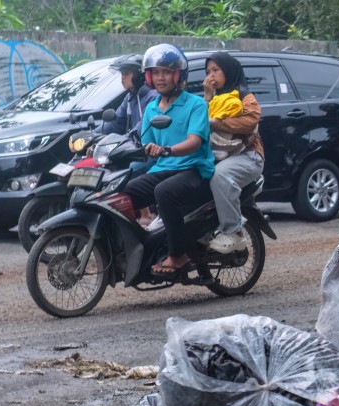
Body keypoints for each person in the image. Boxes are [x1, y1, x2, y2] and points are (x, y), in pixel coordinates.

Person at [123, 44, 215, 277]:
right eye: (156, 72)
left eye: (166, 72)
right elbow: (146, 144)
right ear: (149, 76)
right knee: (126, 192)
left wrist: (166, 150)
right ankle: (142, 247)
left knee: (164, 192)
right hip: (164, 168)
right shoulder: (152, 109)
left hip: (195, 169)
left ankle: (178, 254)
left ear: (177, 76)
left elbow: (194, 142)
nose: (160, 77)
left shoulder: (196, 104)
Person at [201, 51, 265, 255]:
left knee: (220, 176)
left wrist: (218, 123)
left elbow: (250, 121)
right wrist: (207, 98)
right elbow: (199, 123)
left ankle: (234, 232)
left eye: (216, 70)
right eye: (208, 71)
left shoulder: (244, 96)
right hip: (222, 155)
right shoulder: (218, 99)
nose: (211, 75)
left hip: (249, 156)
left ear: (228, 71)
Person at [100, 54, 157, 136]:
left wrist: (124, 139)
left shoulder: (152, 97)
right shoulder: (129, 97)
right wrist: (92, 135)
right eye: (122, 74)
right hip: (133, 145)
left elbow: (142, 127)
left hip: (148, 146)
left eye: (126, 74)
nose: (122, 78)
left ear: (139, 75)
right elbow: (116, 123)